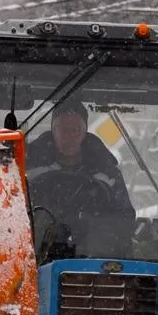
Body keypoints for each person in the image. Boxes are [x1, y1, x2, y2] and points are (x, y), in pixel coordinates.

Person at [23, 98, 136, 253]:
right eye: (63, 130)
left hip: (94, 266)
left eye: (75, 130)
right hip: (36, 259)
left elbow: (124, 221)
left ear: (84, 132)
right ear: (53, 131)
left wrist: (90, 227)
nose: (69, 137)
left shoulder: (107, 172)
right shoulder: (27, 168)